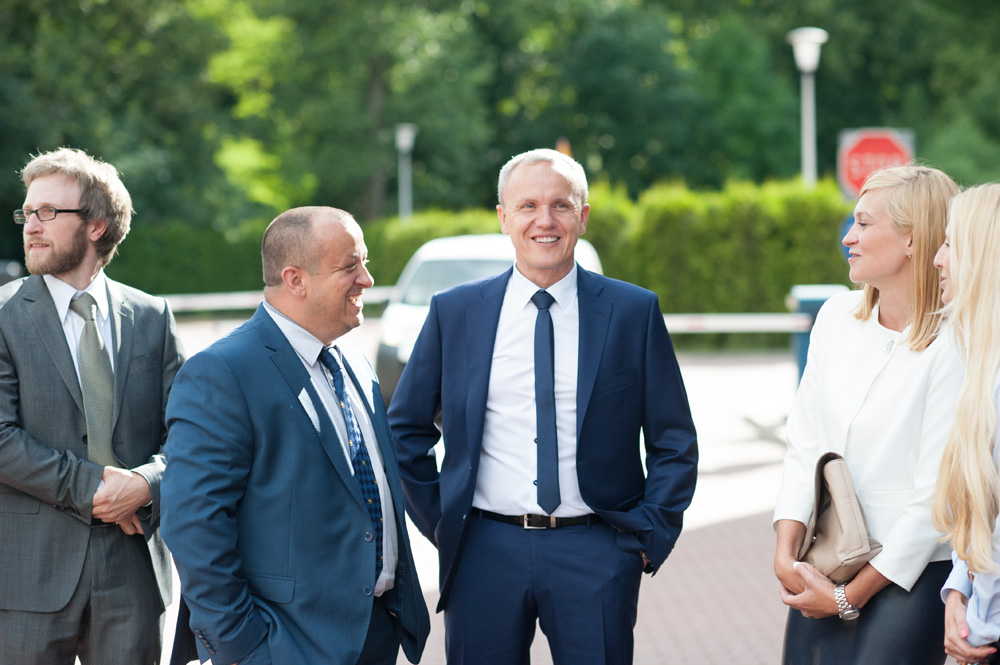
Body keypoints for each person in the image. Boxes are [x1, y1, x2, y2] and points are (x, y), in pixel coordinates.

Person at [387, 148, 698, 664]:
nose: (545, 220)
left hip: (597, 552)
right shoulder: (455, 312)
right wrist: (444, 523)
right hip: (484, 553)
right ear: (503, 217)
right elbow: (404, 431)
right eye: (528, 206)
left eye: (561, 205)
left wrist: (648, 535)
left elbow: (674, 439)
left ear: (583, 216)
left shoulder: (632, 312)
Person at [161, 206, 430, 665]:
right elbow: (193, 525)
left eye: (365, 263)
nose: (366, 279)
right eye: (349, 266)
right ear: (295, 279)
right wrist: (244, 650)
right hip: (284, 644)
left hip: (375, 635)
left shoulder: (354, 363)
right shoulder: (222, 372)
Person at [773, 164, 962, 665]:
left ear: (912, 240)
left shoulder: (957, 342)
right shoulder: (835, 317)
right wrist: (786, 551)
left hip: (912, 574)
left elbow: (936, 499)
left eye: (864, 223)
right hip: (827, 560)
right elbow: (805, 442)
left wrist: (846, 598)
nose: (848, 238)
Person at [0, 147, 184, 663]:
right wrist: (97, 491)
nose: (31, 226)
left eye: (47, 212)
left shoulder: (152, 316)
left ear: (97, 225)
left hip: (133, 573)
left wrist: (146, 483)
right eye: (27, 213)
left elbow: (193, 434)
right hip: (27, 577)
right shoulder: (3, 316)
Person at [932, 183, 1000, 665]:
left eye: (950, 243)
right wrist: (958, 588)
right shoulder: (979, 366)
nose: (938, 259)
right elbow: (980, 519)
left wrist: (979, 626)